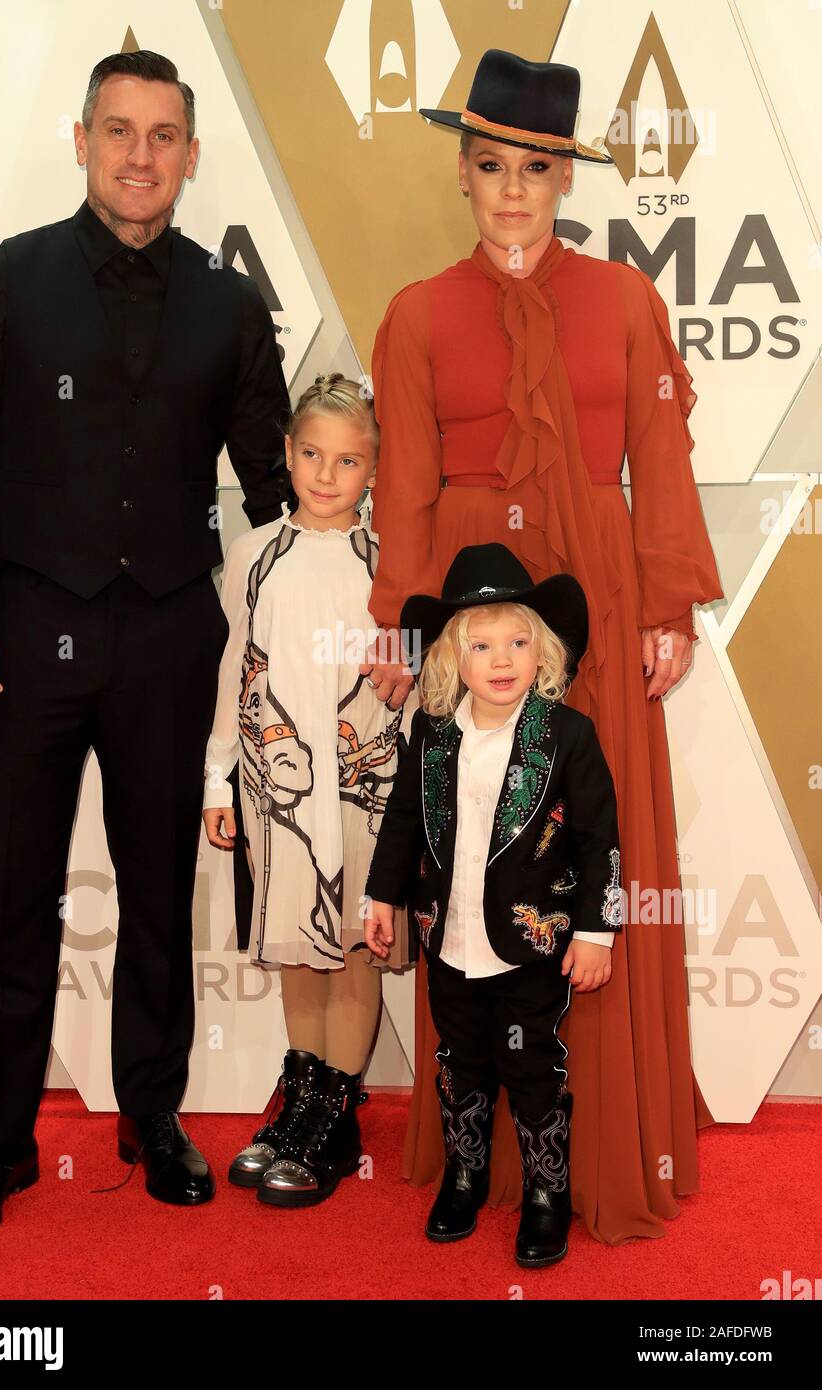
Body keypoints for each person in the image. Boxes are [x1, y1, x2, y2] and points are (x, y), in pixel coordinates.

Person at [0, 50, 293, 1249]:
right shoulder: (1, 282)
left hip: (173, 634)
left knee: (155, 899)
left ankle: (153, 1119)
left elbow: (280, 491)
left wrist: (363, 591)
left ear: (187, 154)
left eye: (163, 134)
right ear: (82, 141)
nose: (140, 154)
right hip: (22, 631)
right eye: (118, 130)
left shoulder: (234, 307)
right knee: (12, 900)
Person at [358, 49, 725, 1243]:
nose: (512, 190)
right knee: (473, 848)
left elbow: (659, 465)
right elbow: (406, 488)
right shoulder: (414, 312)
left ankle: (599, 1145)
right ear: (461, 173)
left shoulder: (626, 299)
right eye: (490, 165)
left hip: (598, 606)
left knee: (584, 833)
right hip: (473, 617)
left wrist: (668, 603)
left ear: (563, 176)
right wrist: (406, 629)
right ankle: (482, 1159)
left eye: (535, 168)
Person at [364, 543, 621, 1265]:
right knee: (460, 1060)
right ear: (452, 658)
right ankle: (466, 1174)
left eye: (518, 642)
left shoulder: (567, 735)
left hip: (532, 947)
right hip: (448, 941)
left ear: (542, 654)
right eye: (481, 644)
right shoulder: (433, 734)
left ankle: (546, 1194)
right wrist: (382, 896)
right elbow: (404, 820)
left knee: (533, 1066)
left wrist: (599, 930)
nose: (502, 658)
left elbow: (601, 837)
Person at [203, 373, 418, 1207]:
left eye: (350, 461)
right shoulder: (252, 554)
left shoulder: (389, 564)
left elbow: (404, 689)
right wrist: (216, 779)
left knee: (357, 946)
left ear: (374, 470)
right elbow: (233, 673)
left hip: (367, 793)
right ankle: (301, 1104)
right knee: (298, 949)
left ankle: (336, 1116)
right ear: (287, 455)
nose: (328, 475)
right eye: (313, 455)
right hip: (275, 796)